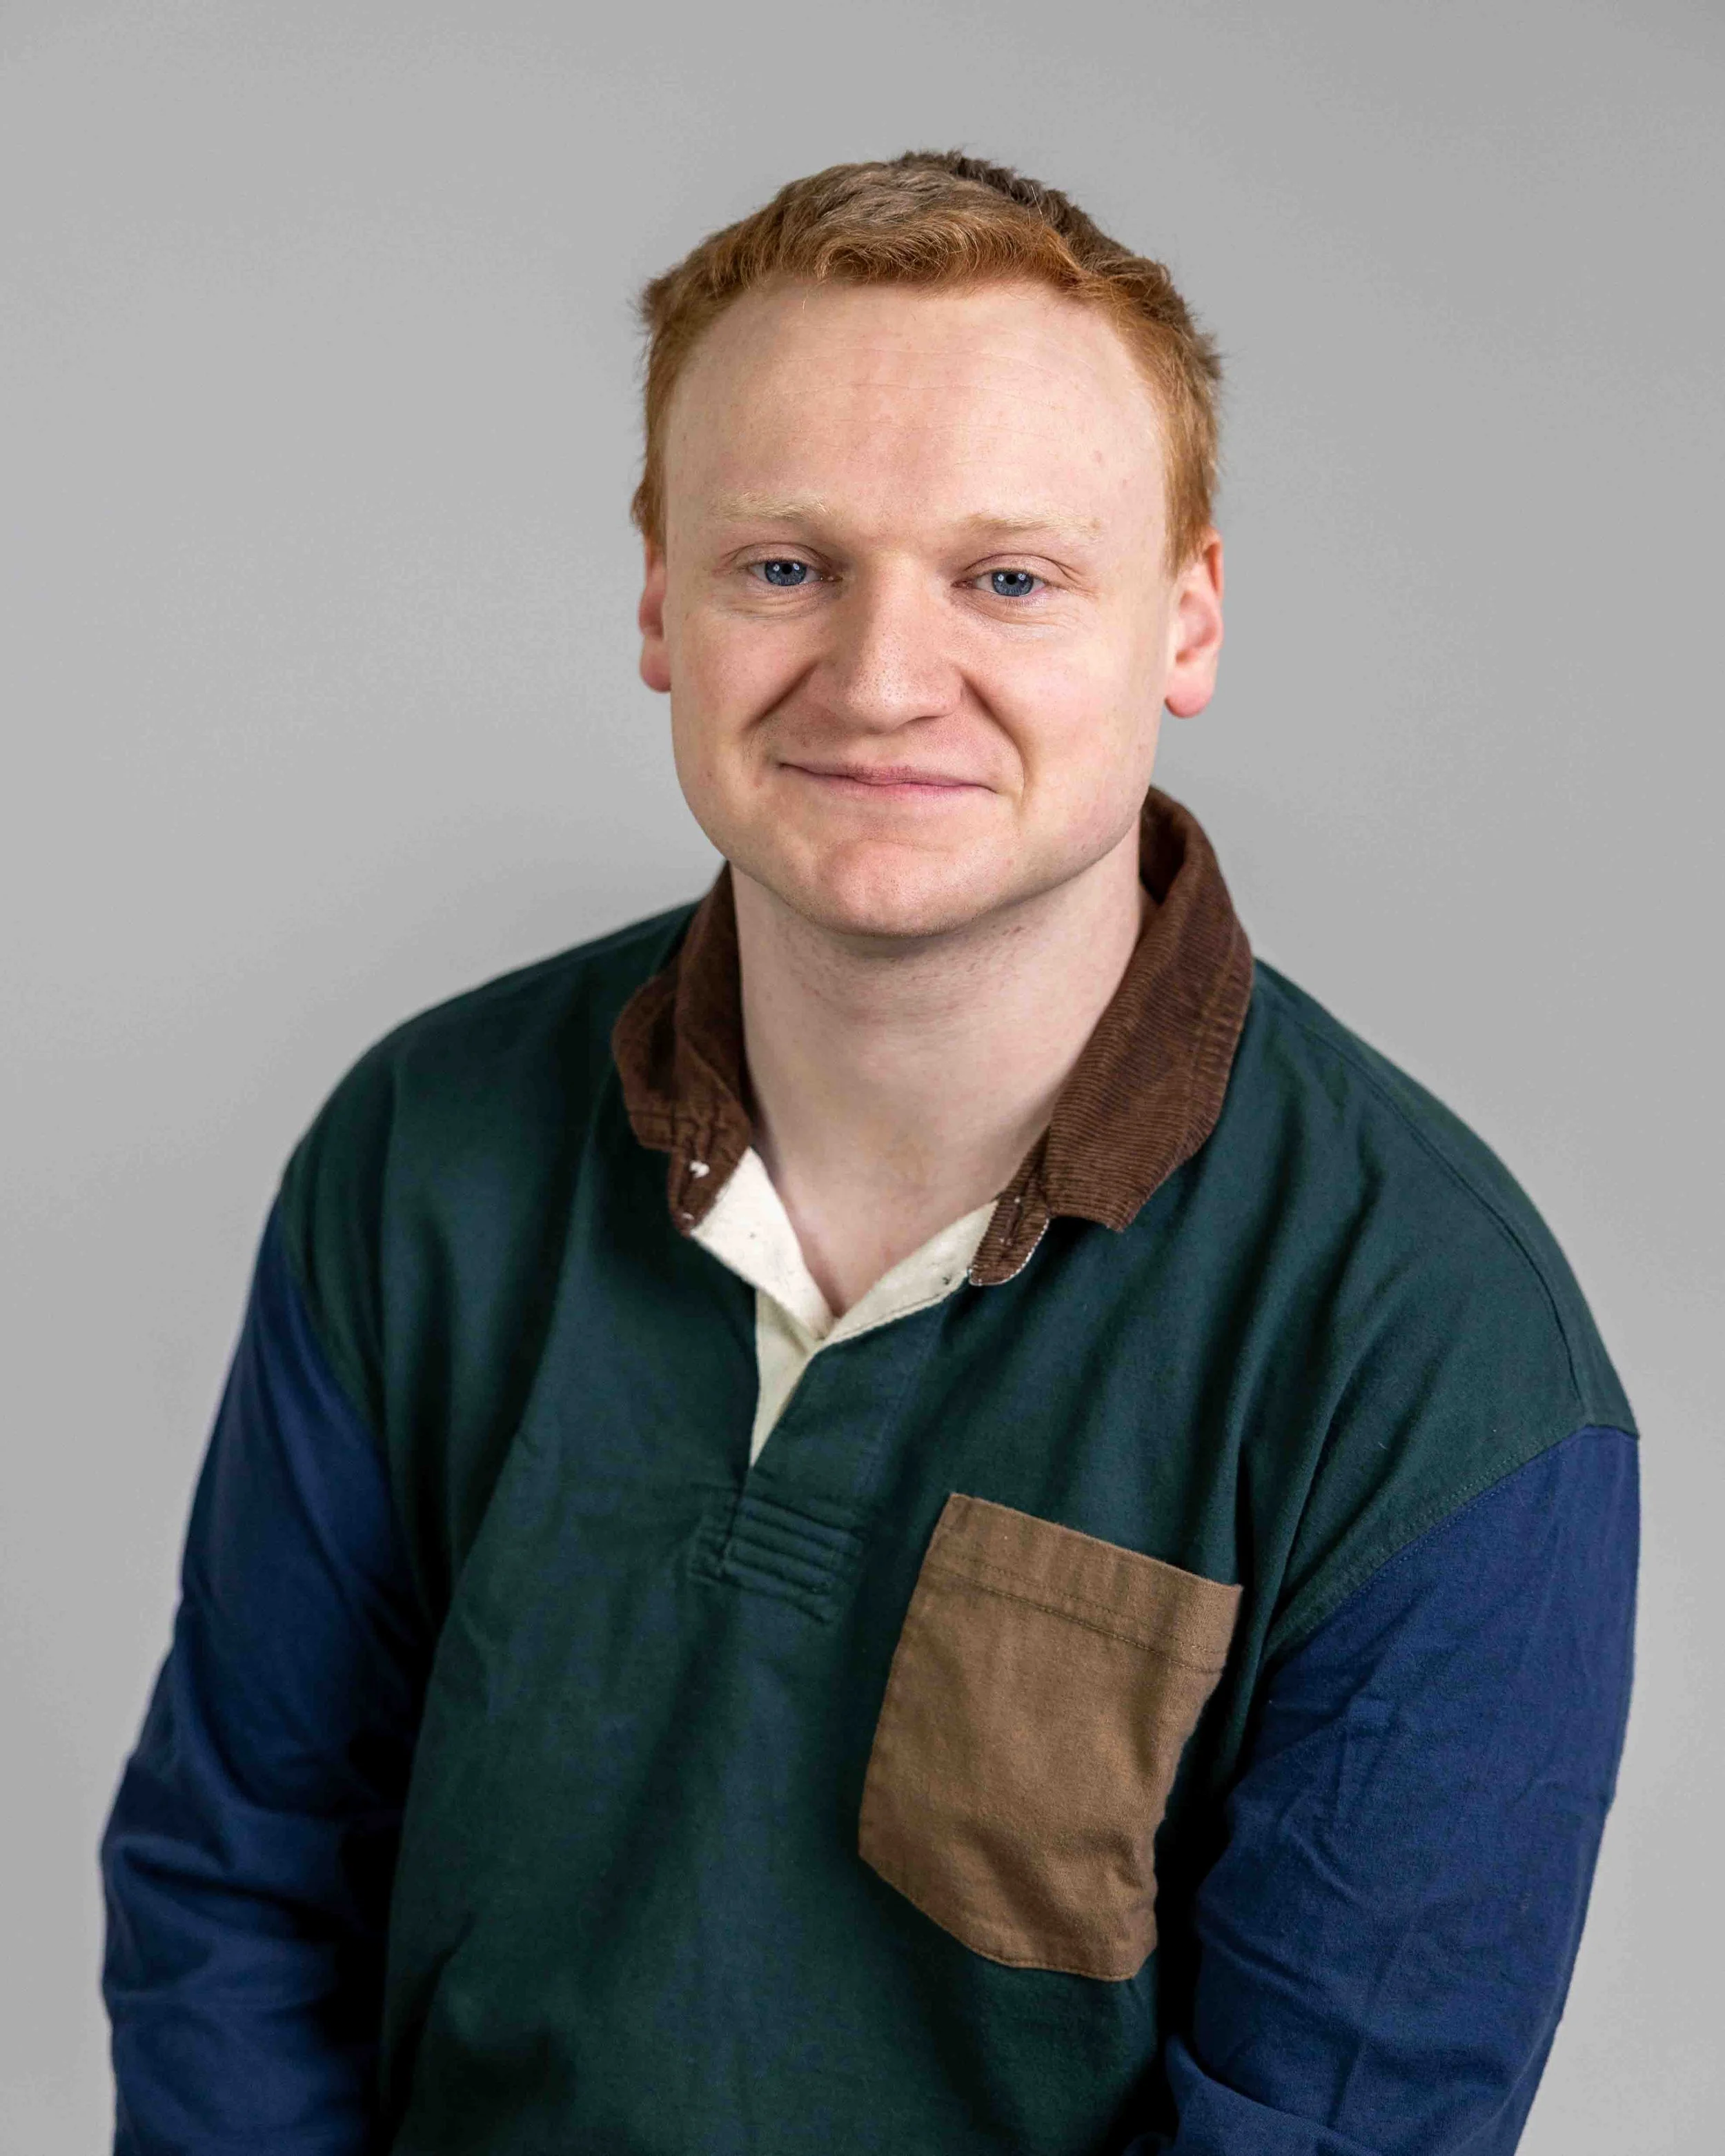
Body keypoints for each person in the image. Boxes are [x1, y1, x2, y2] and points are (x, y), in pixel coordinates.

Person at [100, 152, 1637, 2155]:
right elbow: (239, 1892)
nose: (883, 678)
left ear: (1184, 619)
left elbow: (1333, 2130)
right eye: (784, 566)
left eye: (1007, 576)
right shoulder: (425, 1151)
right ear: (663, 597)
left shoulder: (1437, 1354)